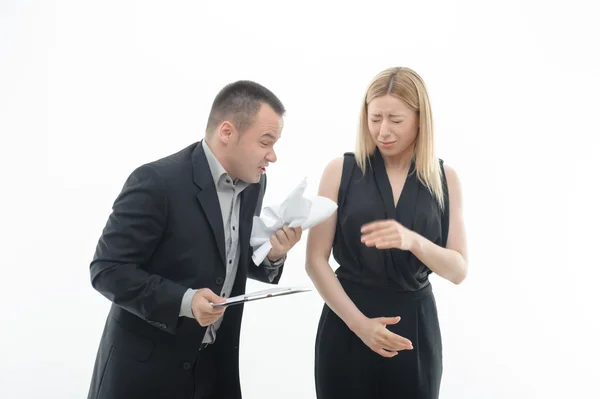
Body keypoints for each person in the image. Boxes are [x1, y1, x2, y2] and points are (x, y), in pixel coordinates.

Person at [87, 80, 302, 399]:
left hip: (213, 371)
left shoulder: (255, 183)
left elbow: (225, 256)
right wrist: (185, 301)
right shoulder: (156, 182)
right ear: (227, 132)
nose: (273, 156)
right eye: (266, 142)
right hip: (146, 373)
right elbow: (107, 270)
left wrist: (272, 255)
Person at [305, 67, 468, 398]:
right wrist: (359, 325)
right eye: (375, 117)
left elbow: (458, 270)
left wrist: (413, 240)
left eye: (395, 119)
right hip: (347, 323)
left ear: (420, 119)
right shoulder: (340, 171)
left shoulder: (444, 178)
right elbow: (314, 260)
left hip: (414, 330)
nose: (383, 130)